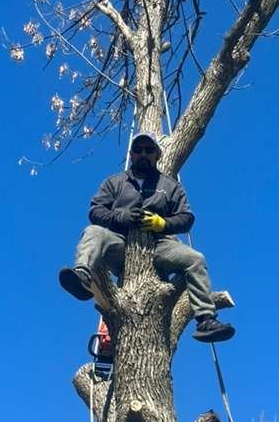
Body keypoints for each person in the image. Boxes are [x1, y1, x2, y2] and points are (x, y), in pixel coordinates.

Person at [58, 131, 235, 343]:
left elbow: (187, 218)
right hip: (120, 243)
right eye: (138, 150)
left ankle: (206, 320)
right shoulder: (114, 182)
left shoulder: (170, 186)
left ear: (157, 155)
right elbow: (96, 212)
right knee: (93, 231)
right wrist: (122, 218)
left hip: (161, 245)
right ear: (131, 154)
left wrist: (162, 224)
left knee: (195, 259)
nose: (143, 154)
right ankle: (83, 277)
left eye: (149, 150)